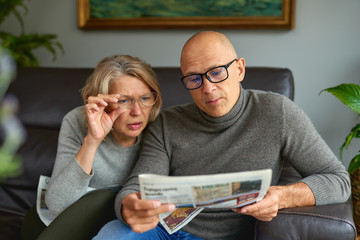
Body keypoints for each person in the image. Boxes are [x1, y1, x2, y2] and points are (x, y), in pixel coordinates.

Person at [93, 31, 351, 240]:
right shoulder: (167, 123)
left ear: (239, 69)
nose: (207, 88)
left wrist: (282, 196)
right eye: (194, 79)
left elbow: (339, 181)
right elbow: (139, 183)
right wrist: (129, 205)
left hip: (233, 234)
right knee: (114, 233)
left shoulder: (278, 112)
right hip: (164, 230)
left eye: (217, 72)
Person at [21, 54, 162, 240]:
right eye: (124, 101)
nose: (137, 112)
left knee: (112, 198)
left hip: (110, 229)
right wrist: (93, 139)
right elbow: (58, 205)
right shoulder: (76, 122)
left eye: (144, 98)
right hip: (54, 225)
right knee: (105, 197)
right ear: (101, 101)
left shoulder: (161, 130)